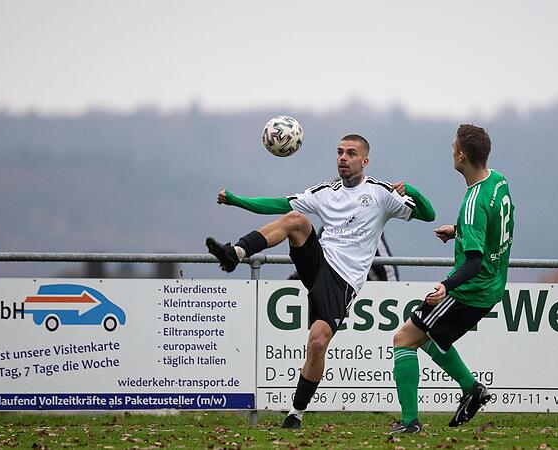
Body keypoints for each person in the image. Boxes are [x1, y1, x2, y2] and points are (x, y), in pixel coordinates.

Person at [205, 134, 435, 429]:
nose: (343, 157)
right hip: (318, 264)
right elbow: (278, 203)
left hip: (343, 282)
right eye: (340, 152)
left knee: (317, 343)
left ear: (364, 161)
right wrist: (237, 200)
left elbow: (428, 215)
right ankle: (235, 252)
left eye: (351, 153)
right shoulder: (326, 192)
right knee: (296, 220)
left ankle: (295, 414)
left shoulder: (380, 194)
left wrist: (412, 189)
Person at [389, 124, 514, 433]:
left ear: (461, 155)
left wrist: (446, 286)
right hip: (493, 284)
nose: (451, 150)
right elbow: (493, 228)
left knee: (403, 339)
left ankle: (410, 424)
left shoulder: (473, 202)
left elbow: (473, 262)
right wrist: (459, 232)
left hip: (472, 289)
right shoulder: (498, 181)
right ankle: (472, 390)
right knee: (429, 338)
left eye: (453, 146)